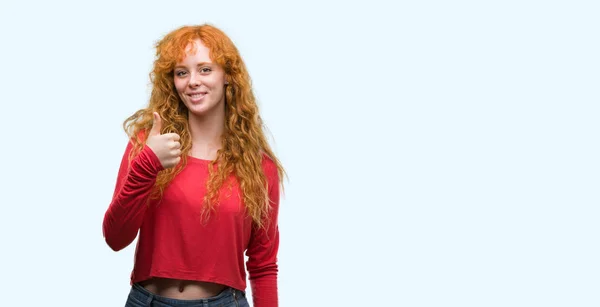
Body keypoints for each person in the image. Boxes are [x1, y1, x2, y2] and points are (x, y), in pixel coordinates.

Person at [102, 24, 285, 307]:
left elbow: (263, 265)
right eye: (181, 72)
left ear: (228, 77)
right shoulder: (149, 145)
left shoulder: (258, 167)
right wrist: (148, 164)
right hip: (147, 301)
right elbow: (115, 238)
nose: (193, 81)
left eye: (205, 69)